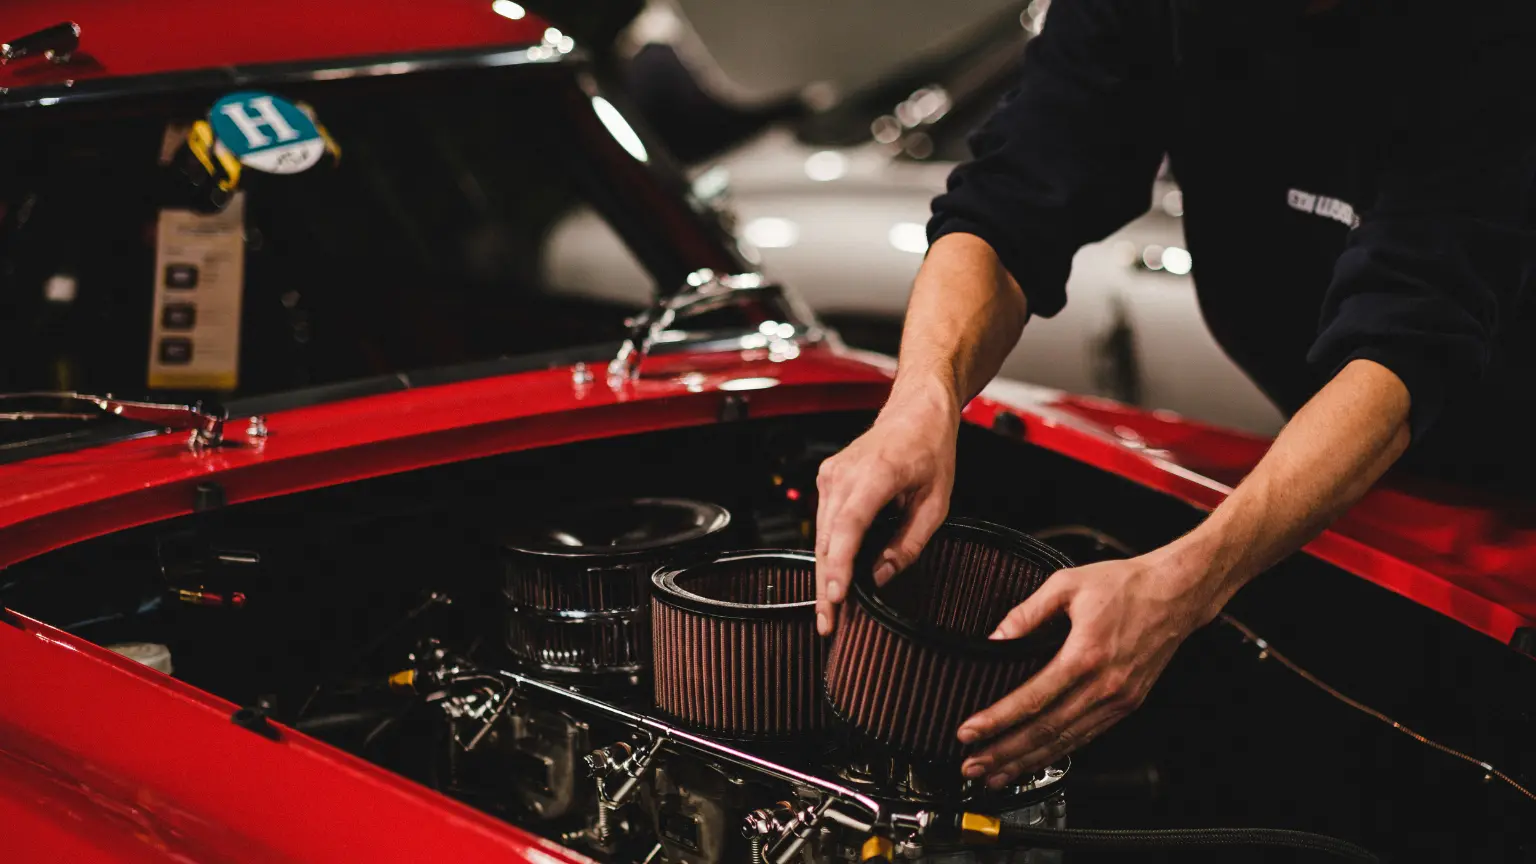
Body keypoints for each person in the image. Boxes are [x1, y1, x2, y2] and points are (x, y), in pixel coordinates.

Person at [812, 0, 1536, 791]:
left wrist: (1186, 583)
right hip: (1359, 453)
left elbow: (1407, 336)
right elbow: (1008, 203)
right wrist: (922, 399)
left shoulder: (1491, 35)